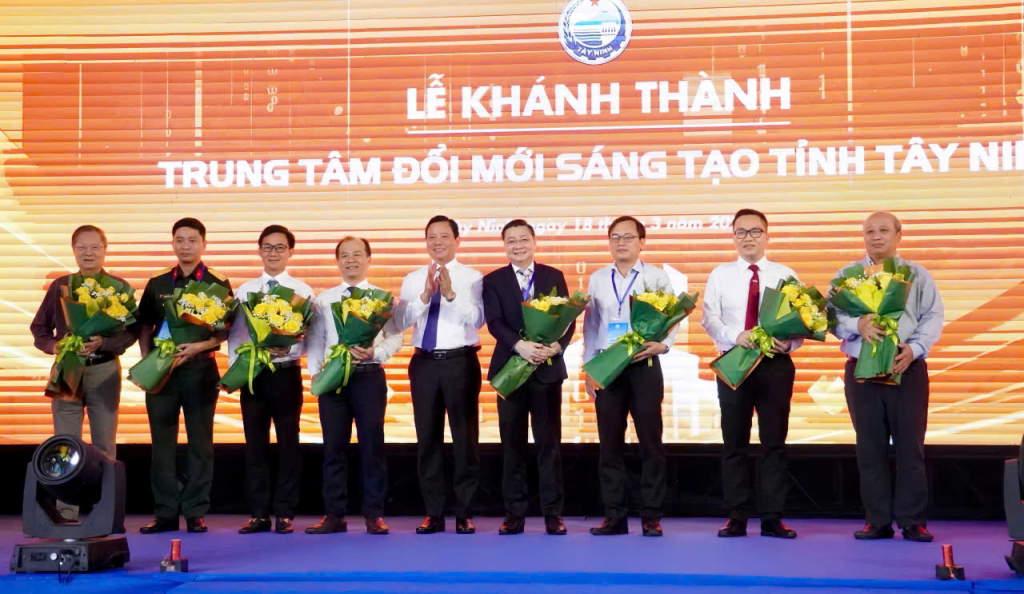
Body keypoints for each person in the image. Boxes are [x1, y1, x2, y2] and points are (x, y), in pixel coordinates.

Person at [831, 211, 943, 542]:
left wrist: (916, 347)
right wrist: (857, 325)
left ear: (898, 235)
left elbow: (933, 315)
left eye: (883, 230)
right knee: (870, 448)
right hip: (861, 372)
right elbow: (831, 318)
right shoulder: (847, 276)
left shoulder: (917, 275)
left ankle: (913, 521)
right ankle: (876, 521)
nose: (876, 236)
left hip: (907, 368)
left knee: (911, 448)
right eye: (869, 231)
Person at [702, 208, 800, 539]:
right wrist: (736, 335)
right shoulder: (720, 274)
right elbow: (709, 319)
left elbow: (802, 321)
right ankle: (737, 516)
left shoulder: (786, 274)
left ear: (767, 235)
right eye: (741, 232)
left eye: (755, 231)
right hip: (734, 361)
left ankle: (772, 517)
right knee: (734, 443)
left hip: (774, 365)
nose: (748, 238)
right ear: (733, 237)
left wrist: (789, 344)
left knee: (774, 442)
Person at [30, 225, 137, 518]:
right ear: (73, 250)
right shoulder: (60, 286)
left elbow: (131, 333)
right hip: (67, 371)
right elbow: (39, 329)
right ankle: (66, 509)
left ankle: (103, 510)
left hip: (103, 371)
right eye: (82, 248)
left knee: (104, 444)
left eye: (95, 248)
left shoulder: (119, 288)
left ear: (105, 250)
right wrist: (55, 346)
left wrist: (105, 342)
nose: (88, 253)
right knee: (65, 443)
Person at [582, 215, 677, 537]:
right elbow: (592, 326)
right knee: (610, 444)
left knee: (651, 442)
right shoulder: (597, 278)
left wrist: (662, 346)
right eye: (615, 237)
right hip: (608, 368)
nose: (621, 243)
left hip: (644, 365)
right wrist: (589, 368)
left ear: (642, 242)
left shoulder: (657, 277)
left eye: (628, 237)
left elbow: (672, 318)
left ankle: (651, 515)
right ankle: (615, 515)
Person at [136, 217, 232, 534]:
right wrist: (150, 362)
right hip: (162, 374)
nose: (186, 245)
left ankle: (194, 511)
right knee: (162, 444)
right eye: (180, 240)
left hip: (201, 370)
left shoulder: (217, 285)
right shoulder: (158, 284)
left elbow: (225, 332)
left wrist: (198, 347)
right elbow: (144, 326)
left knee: (200, 444)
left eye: (192, 240)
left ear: (203, 244)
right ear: (173, 243)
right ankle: (165, 512)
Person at [393, 215, 484, 534]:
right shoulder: (413, 277)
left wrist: (449, 294)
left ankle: (464, 511)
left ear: (457, 241)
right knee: (427, 438)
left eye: (444, 236)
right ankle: (433, 512)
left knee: (464, 438)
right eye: (431, 236)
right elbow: (401, 322)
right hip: (424, 363)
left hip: (460, 362)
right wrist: (424, 295)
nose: (437, 242)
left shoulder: (472, 277)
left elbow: (478, 320)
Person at [306, 236, 402, 535]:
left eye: (357, 255)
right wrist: (315, 375)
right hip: (333, 377)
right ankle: (334, 514)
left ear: (368, 259)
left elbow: (396, 336)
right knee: (334, 447)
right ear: (337, 261)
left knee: (372, 445)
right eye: (345, 255)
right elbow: (316, 340)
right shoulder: (324, 299)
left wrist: (376, 352)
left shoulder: (382, 298)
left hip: (369, 375)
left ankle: (374, 514)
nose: (351, 260)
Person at [482, 219, 572, 536]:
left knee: (549, 445)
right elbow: (493, 322)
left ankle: (553, 514)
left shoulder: (553, 276)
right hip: (510, 371)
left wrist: (556, 347)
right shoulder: (492, 281)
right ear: (504, 245)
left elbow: (568, 320)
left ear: (534, 241)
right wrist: (519, 345)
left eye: (523, 239)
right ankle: (514, 514)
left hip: (546, 371)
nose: (518, 245)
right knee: (513, 446)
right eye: (511, 241)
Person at [230, 225, 313, 535]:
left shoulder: (303, 291)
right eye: (268, 247)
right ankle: (258, 513)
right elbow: (236, 335)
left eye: (280, 247)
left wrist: (289, 346)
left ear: (290, 251)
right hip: (253, 372)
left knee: (288, 442)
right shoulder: (245, 291)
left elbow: (311, 336)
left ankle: (285, 512)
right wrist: (235, 372)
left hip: (287, 372)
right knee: (255, 445)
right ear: (260, 251)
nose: (273, 252)